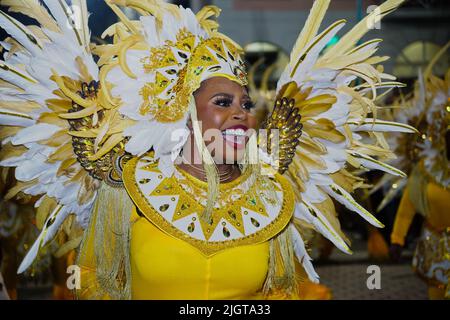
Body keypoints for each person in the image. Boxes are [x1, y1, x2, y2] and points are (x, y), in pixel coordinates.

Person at [0, 0, 414, 299]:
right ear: (184, 113)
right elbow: (94, 277)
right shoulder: (130, 190)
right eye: (223, 103)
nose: (242, 115)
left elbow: (279, 290)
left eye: (246, 104)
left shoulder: (272, 196)